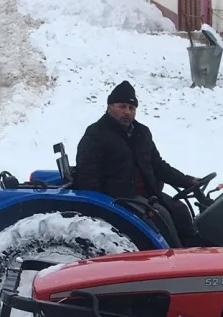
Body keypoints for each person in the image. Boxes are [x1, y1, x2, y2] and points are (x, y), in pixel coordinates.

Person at [73, 80, 205, 246]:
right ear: (109, 106)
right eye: (122, 106)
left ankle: (196, 250)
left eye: (131, 108)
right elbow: (88, 177)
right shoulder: (96, 135)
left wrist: (187, 181)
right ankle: (177, 257)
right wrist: (101, 209)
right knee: (161, 216)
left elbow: (158, 165)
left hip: (147, 194)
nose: (127, 112)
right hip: (119, 198)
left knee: (180, 210)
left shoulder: (142, 133)